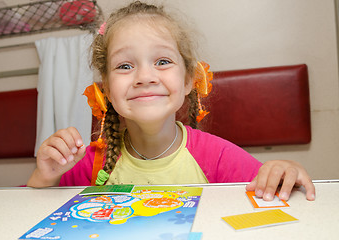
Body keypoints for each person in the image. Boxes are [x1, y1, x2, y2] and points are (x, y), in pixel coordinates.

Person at [27, 1, 315, 201]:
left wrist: (285, 171)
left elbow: (271, 188)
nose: (145, 76)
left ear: (189, 80)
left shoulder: (217, 158)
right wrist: (46, 176)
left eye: (162, 61)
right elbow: (28, 213)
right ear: (107, 91)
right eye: (125, 66)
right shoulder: (90, 163)